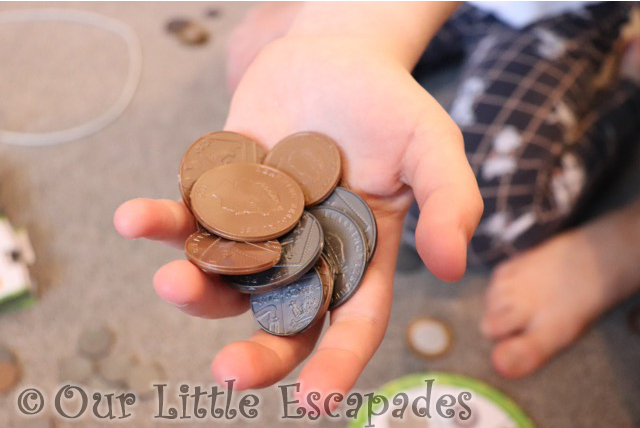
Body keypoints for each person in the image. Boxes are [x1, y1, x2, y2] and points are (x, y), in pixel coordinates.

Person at [114, 1, 640, 406]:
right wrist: (339, 35)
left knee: (493, 212)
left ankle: (627, 149)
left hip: (558, 13)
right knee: (262, 45)